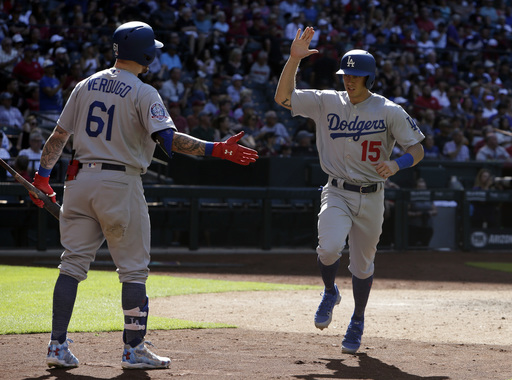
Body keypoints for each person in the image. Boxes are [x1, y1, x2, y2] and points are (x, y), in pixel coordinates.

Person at [28, 21, 258, 370]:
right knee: (133, 271)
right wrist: (215, 149)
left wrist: (42, 177)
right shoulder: (143, 91)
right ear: (147, 54)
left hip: (77, 181)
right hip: (120, 184)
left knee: (71, 265)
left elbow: (58, 137)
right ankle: (133, 348)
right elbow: (168, 140)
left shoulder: (85, 84)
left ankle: (57, 346)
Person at [274, 28, 425, 354]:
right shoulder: (327, 101)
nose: (349, 80)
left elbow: (418, 149)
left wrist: (397, 165)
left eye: (356, 75)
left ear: (369, 78)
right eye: (346, 74)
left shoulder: (389, 110)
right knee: (328, 248)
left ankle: (357, 318)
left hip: (372, 195)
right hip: (337, 191)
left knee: (362, 265)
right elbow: (284, 98)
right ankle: (330, 290)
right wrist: (294, 60)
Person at [408, 178, 437, 247]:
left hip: (427, 226)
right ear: (416, 188)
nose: (422, 189)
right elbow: (406, 212)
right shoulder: (411, 197)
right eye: (420, 187)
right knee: (413, 246)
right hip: (414, 226)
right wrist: (417, 214)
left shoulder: (429, 197)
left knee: (425, 246)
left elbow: (435, 211)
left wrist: (429, 213)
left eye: (423, 187)